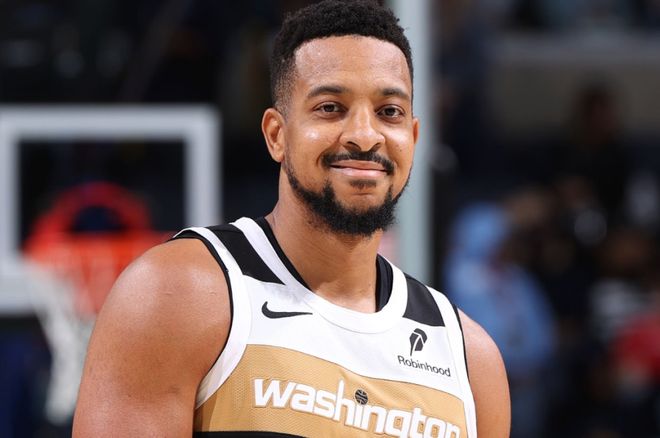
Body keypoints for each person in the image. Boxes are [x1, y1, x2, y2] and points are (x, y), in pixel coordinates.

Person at [72, 1, 510, 436]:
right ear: (276, 135)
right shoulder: (178, 294)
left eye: (388, 112)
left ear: (412, 137)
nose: (364, 136)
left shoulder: (470, 362)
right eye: (331, 108)